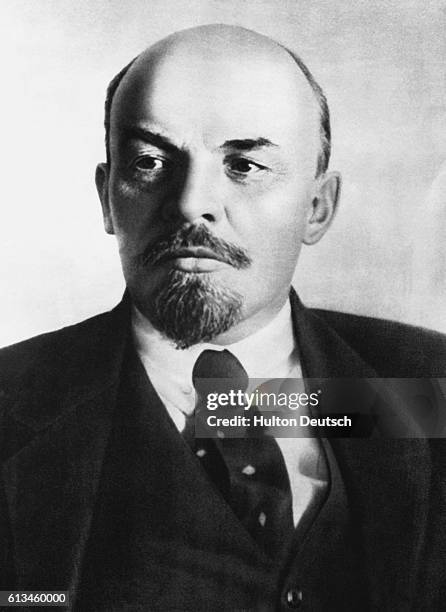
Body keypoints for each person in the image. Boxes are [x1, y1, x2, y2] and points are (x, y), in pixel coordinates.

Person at [1, 24, 446, 611]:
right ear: (108, 198)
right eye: (150, 162)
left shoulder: (427, 384)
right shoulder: (10, 402)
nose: (191, 203)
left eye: (244, 165)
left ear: (317, 207)